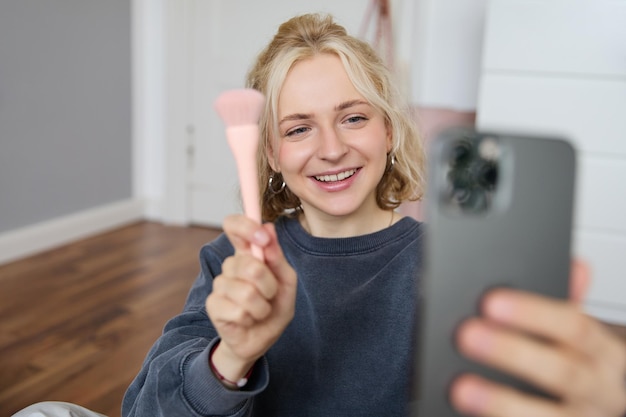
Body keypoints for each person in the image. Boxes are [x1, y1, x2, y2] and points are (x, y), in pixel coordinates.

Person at [13, 12, 625, 417]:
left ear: (389, 132)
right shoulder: (236, 262)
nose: (331, 148)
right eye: (299, 128)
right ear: (272, 154)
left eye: (354, 117)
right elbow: (145, 409)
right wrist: (228, 358)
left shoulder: (447, 266)